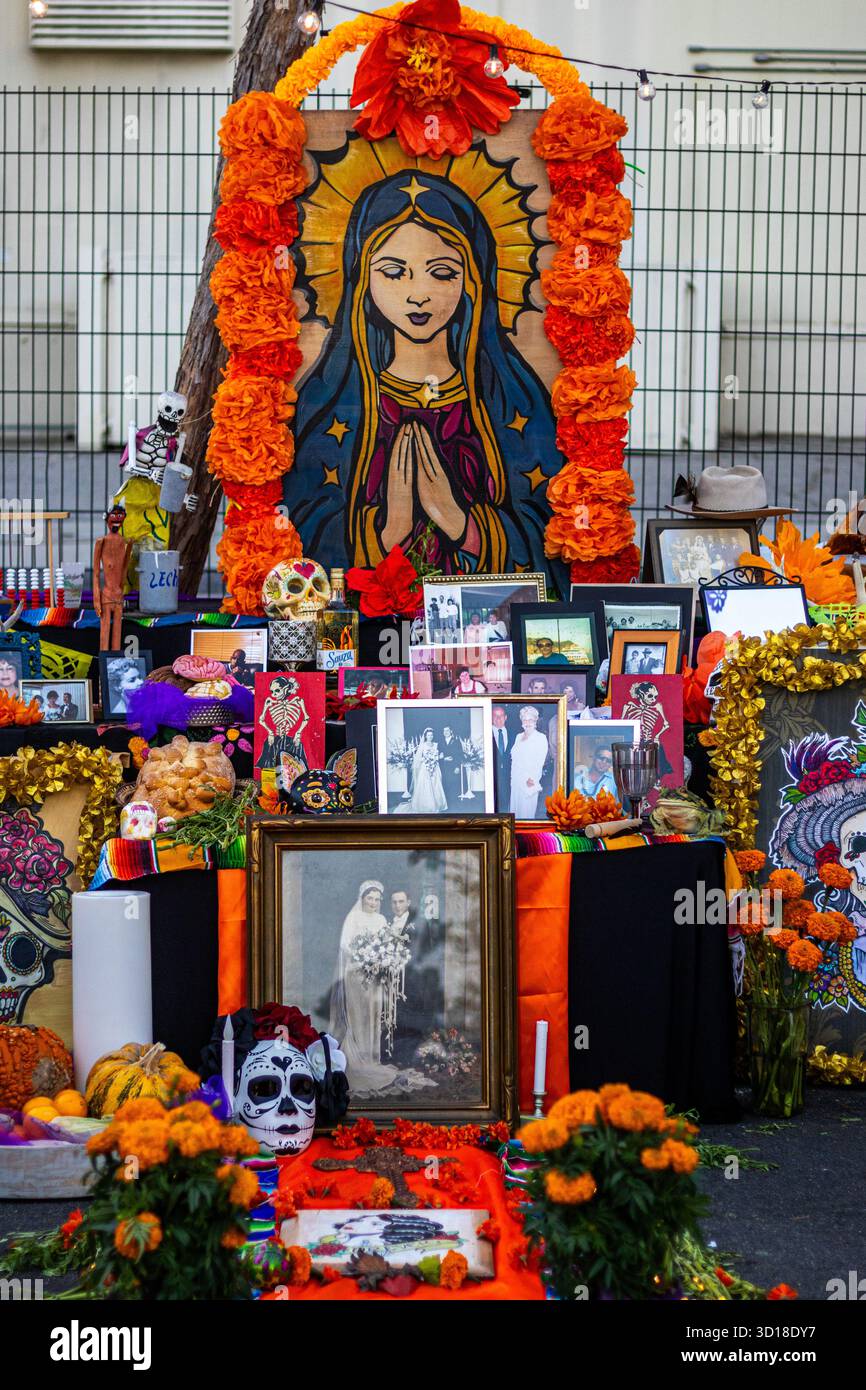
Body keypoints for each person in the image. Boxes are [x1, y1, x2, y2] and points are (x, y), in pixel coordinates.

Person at [285, 169, 567, 586]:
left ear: (472, 279)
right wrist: (387, 530)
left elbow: (547, 528)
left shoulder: (511, 399)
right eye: (394, 271)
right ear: (363, 280)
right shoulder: (332, 401)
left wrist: (459, 523)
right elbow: (303, 528)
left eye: (442, 273)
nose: (418, 294)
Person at [329, 880, 400, 1096]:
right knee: (358, 1015)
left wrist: (381, 957)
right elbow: (344, 944)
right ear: (362, 899)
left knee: (373, 1015)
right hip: (355, 974)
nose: (374, 903)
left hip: (375, 976)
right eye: (370, 898)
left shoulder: (381, 919)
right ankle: (356, 1060)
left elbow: (387, 944)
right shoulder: (354, 917)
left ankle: (370, 1058)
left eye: (377, 899)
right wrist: (362, 955)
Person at [510, 706, 548, 818]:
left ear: (536, 720)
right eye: (525, 720)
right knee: (515, 813)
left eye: (530, 719)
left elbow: (540, 761)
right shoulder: (518, 736)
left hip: (529, 781)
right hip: (516, 780)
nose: (527, 722)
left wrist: (533, 778)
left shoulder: (540, 738)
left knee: (527, 813)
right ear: (521, 721)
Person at [402, 729, 447, 813]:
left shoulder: (436, 744)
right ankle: (426, 805)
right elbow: (418, 758)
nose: (430, 737)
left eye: (431, 735)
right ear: (426, 736)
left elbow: (440, 754)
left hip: (435, 767)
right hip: (425, 767)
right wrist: (426, 759)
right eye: (429, 735)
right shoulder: (422, 745)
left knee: (436, 784)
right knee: (426, 785)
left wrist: (439, 757)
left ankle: (438, 804)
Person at [491, 704, 511, 810]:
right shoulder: (486, 733)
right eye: (495, 715)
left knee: (505, 807)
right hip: (492, 777)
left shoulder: (513, 733)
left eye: (501, 715)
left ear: (506, 717)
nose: (498, 719)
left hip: (508, 778)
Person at [439, 725, 462, 809]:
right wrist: (444, 759)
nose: (445, 732)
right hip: (443, 767)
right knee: (444, 784)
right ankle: (446, 804)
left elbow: (460, 755)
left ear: (451, 731)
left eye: (447, 730)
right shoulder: (440, 742)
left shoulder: (456, 741)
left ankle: (454, 805)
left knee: (453, 784)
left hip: (453, 767)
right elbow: (438, 755)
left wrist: (457, 767)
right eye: (444, 731)